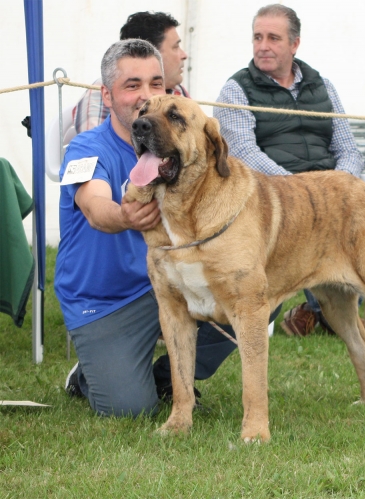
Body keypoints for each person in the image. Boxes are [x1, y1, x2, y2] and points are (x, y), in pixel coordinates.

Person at [55, 39, 274, 418]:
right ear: (106, 96)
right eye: (131, 86)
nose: (145, 97)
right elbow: (95, 207)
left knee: (258, 289)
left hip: (166, 283)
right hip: (107, 304)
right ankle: (90, 374)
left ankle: (167, 378)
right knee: (128, 408)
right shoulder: (86, 148)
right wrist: (125, 216)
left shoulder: (182, 147)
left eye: (155, 84)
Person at [214, 4, 365, 337]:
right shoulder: (236, 90)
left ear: (295, 44)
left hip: (332, 194)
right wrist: (302, 191)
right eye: (257, 37)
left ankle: (342, 309)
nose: (263, 45)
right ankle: (329, 311)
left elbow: (347, 148)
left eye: (273, 38)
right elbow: (244, 154)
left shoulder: (323, 86)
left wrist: (342, 188)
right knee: (310, 230)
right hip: (273, 199)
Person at [74, 11, 189, 133]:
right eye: (175, 47)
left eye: (156, 85)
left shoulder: (177, 91)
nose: (184, 55)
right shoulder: (102, 92)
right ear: (147, 51)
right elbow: (96, 146)